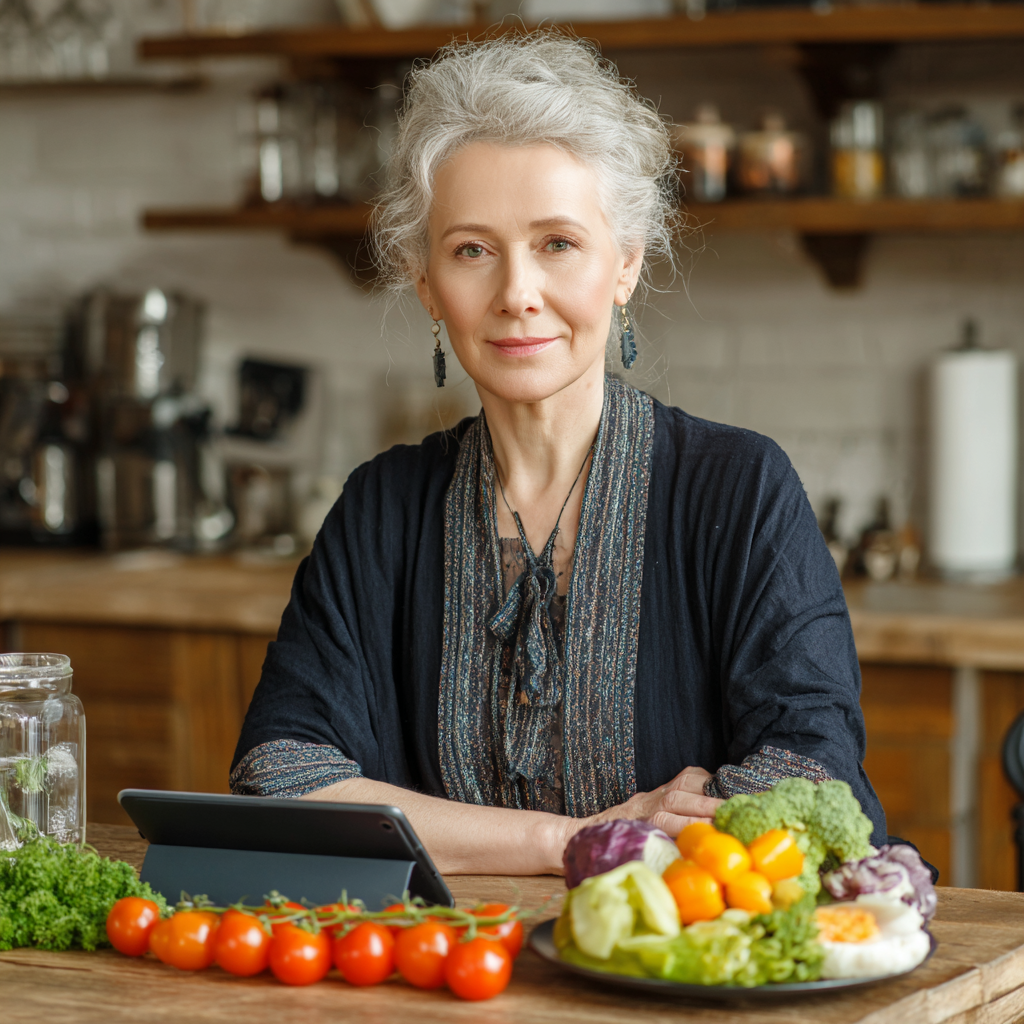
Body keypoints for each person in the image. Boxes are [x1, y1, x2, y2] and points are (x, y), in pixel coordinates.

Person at [231, 32, 885, 876]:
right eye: (472, 250)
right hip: (443, 956)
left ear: (626, 265)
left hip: (676, 954)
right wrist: (567, 842)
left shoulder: (739, 489)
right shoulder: (380, 508)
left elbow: (808, 778)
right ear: (427, 285)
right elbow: (281, 781)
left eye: (558, 244)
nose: (516, 294)